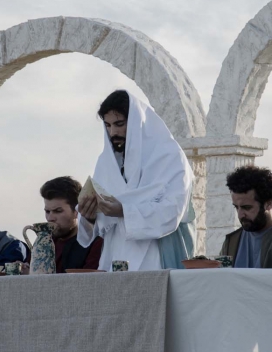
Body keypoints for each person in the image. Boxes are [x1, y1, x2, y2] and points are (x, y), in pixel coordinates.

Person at [77, 89, 195, 271]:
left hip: (156, 255)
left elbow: (173, 211)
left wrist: (124, 210)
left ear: (136, 122)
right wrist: (89, 216)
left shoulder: (170, 157)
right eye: (107, 126)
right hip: (114, 256)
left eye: (119, 124)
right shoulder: (106, 161)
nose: (113, 132)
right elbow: (100, 227)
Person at [221, 166, 272, 268]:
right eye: (236, 207)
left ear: (268, 204)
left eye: (247, 207)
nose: (240, 214)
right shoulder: (232, 241)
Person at [38, 177, 103, 273]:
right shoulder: (43, 244)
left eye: (58, 211)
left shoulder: (94, 244)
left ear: (77, 211)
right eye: (47, 211)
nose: (50, 218)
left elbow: (90, 283)